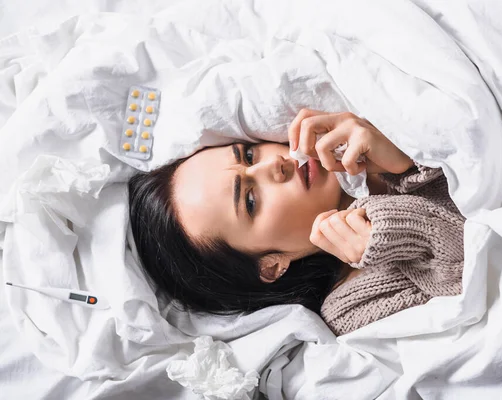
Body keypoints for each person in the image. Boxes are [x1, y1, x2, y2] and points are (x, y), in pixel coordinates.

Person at [128, 109, 465, 335]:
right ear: (271, 266)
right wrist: (401, 233)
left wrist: (406, 158)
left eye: (248, 155)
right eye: (250, 200)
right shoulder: (350, 310)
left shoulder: (358, 125)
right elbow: (493, 274)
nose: (275, 164)